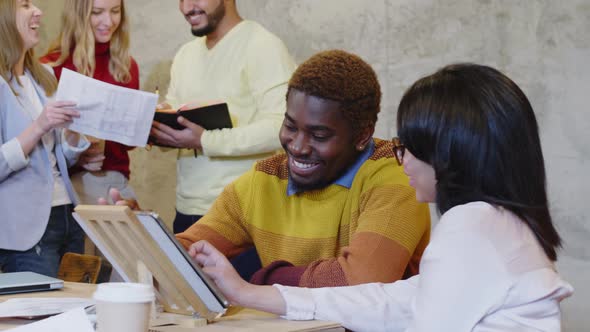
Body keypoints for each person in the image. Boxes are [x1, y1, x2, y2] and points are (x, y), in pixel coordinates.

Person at [190, 63, 574, 331]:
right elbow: (386, 301)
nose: (400, 157)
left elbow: (369, 287)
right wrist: (248, 291)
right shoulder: (500, 223)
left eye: (409, 147)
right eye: (290, 126)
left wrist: (258, 280)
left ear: (450, 155)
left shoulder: (469, 228)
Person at [175, 49, 431, 287]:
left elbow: (360, 280)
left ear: (362, 136)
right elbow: (183, 250)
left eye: (319, 135)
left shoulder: (396, 177)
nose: (297, 146)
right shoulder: (264, 180)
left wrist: (263, 281)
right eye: (290, 126)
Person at [149, 0, 297, 235]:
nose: (187, 8)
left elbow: (284, 127)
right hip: (188, 209)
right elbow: (178, 115)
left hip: (244, 210)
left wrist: (205, 140)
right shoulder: (186, 54)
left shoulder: (262, 45)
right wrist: (156, 122)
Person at [0, 0, 89, 277]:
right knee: (42, 316)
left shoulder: (43, 75)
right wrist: (40, 125)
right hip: (25, 229)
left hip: (66, 213)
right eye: (25, 5)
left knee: (76, 310)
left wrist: (73, 132)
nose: (38, 11)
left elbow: (58, 155)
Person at [41, 0, 138, 204]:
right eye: (97, 12)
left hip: (115, 180)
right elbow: (42, 144)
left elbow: (129, 145)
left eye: (115, 11)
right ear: (78, 15)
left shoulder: (126, 66)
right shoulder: (51, 67)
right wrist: (76, 154)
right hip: (67, 184)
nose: (109, 21)